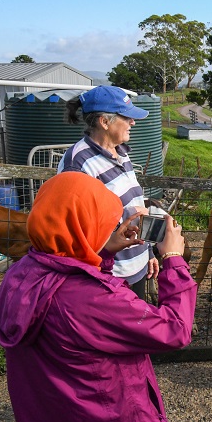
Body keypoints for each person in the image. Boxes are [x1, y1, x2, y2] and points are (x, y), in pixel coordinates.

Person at [0, 171, 197, 422]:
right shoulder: (90, 299)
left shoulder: (21, 275)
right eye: (103, 222)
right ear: (81, 226)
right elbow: (175, 330)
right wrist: (173, 260)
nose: (111, 226)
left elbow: (71, 279)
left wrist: (101, 249)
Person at [58, 85, 158, 299]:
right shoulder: (78, 164)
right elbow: (75, 231)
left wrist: (148, 252)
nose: (133, 122)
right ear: (104, 122)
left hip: (136, 265)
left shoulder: (120, 152)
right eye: (127, 117)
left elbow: (134, 206)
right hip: (109, 276)